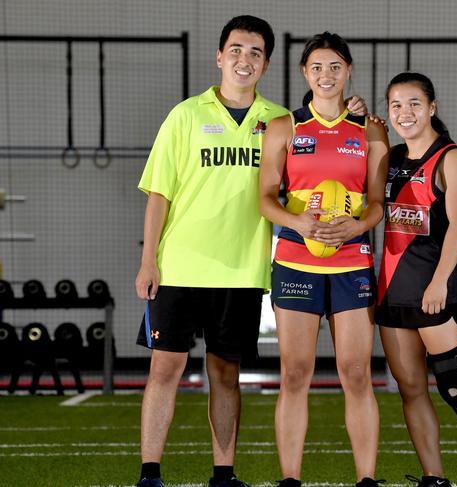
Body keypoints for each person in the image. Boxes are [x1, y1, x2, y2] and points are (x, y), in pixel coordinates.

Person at [134, 16, 369, 487]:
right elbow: (159, 192)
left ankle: (224, 472)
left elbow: (322, 131)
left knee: (226, 373)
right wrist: (148, 260)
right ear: (220, 57)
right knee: (166, 368)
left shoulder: (279, 120)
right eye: (237, 50)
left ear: (267, 63)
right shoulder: (185, 114)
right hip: (180, 263)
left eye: (256, 53)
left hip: (244, 270)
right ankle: (150, 472)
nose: (245, 59)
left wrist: (356, 113)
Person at [259, 32, 389, 487]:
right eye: (317, 67)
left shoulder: (369, 129)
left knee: (356, 373)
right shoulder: (285, 127)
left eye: (335, 66)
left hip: (352, 262)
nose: (326, 75)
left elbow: (377, 203)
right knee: (295, 374)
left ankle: (367, 478)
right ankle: (290, 478)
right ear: (304, 73)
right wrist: (300, 225)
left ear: (348, 70)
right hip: (296, 263)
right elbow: (265, 201)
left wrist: (357, 227)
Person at [376, 72, 457, 487]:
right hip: (393, 293)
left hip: (436, 292)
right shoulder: (390, 159)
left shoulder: (452, 159)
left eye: (414, 103)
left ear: (431, 107)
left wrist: (438, 282)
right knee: (411, 390)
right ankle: (434, 477)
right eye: (396, 105)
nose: (405, 113)